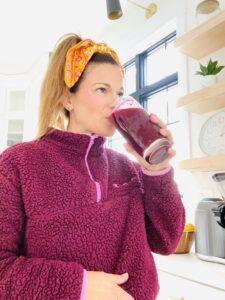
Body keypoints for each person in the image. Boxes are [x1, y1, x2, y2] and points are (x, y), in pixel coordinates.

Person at [0, 33, 185, 300]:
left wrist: (158, 171)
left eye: (119, 92)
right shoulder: (18, 164)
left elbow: (167, 241)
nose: (116, 102)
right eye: (102, 89)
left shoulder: (129, 169)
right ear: (68, 99)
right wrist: (79, 285)